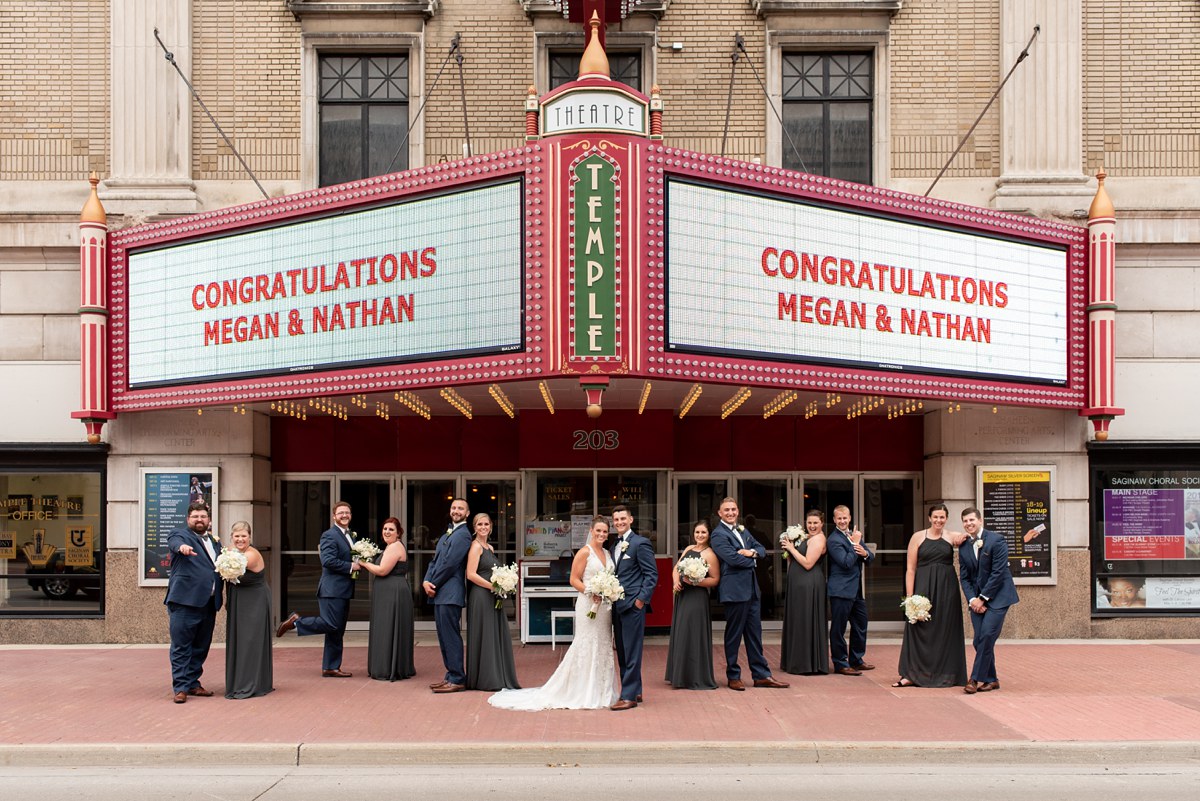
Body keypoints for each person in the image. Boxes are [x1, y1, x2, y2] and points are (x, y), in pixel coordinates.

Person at [489, 516, 619, 710]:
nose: (601, 534)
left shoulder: (608, 553)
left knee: (603, 645)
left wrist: (608, 591)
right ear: (591, 531)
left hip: (604, 610)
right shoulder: (585, 552)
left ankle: (600, 690)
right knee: (586, 644)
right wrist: (591, 592)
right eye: (598, 530)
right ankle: (581, 690)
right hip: (588, 605)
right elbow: (574, 579)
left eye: (605, 531)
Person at [710, 497, 789, 691]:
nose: (730, 513)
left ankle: (761, 675)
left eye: (733, 509)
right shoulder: (718, 535)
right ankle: (733, 676)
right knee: (734, 635)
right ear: (720, 513)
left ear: (738, 511)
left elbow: (762, 549)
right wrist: (751, 558)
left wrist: (751, 553)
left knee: (755, 635)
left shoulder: (742, 530)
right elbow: (733, 559)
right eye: (726, 510)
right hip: (735, 592)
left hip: (752, 591)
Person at [275, 501, 360, 677]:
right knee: (331, 624)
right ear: (334, 516)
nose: (344, 515)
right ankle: (296, 622)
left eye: (347, 512)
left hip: (344, 589)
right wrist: (351, 566)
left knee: (337, 630)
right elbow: (327, 561)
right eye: (341, 513)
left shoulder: (350, 535)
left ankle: (331, 667)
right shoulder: (329, 535)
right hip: (332, 589)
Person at [892, 505, 967, 688]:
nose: (938, 520)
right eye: (935, 517)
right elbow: (910, 569)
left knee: (944, 629)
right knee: (918, 628)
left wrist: (963, 536)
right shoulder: (918, 537)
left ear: (946, 518)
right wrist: (910, 597)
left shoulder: (951, 536)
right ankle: (910, 674)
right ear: (929, 517)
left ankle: (947, 673)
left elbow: (972, 534)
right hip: (923, 586)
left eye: (942, 517)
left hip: (946, 589)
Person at [165, 501, 223, 703]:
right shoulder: (180, 535)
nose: (200, 520)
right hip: (184, 602)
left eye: (203, 516)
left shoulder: (215, 542)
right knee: (182, 646)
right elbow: (174, 542)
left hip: (208, 603)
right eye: (195, 517)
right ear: (188, 519)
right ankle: (180, 687)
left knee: (201, 646)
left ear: (209, 520)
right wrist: (182, 548)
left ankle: (192, 683)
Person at [959, 507, 1020, 693]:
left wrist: (983, 598)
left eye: (971, 520)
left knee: (986, 636)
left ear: (980, 520)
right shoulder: (963, 546)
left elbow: (998, 573)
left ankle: (974, 679)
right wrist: (972, 600)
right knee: (979, 640)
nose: (969, 524)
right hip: (976, 601)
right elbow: (965, 577)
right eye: (965, 521)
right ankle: (992, 679)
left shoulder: (997, 540)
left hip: (999, 597)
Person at [609, 504, 658, 710]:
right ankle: (635, 691)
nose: (619, 522)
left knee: (632, 651)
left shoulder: (641, 543)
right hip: (617, 606)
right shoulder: (614, 546)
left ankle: (628, 696)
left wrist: (640, 601)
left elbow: (651, 575)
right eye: (616, 520)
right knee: (622, 651)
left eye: (623, 518)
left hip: (633, 606)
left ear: (631, 520)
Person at [465, 513, 519, 691]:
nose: (483, 527)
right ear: (474, 527)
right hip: (480, 596)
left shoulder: (489, 548)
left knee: (493, 635)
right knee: (485, 634)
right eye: (479, 524)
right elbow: (471, 574)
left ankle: (496, 674)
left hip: (492, 596)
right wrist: (493, 587)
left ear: (491, 526)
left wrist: (502, 584)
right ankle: (486, 679)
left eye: (486, 524)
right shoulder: (475, 547)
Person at [424, 497, 473, 693]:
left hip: (450, 592)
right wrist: (426, 580)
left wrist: (433, 583)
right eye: (454, 507)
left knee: (450, 636)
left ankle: (457, 678)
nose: (456, 510)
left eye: (461, 508)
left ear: (467, 514)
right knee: (443, 636)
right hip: (439, 592)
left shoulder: (463, 535)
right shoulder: (447, 534)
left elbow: (451, 564)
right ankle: (450, 675)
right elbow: (434, 561)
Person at [357, 517, 415, 681]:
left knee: (388, 625)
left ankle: (387, 667)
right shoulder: (390, 546)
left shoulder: (395, 547)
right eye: (385, 529)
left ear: (398, 533)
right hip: (389, 591)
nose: (387, 532)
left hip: (393, 592)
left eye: (391, 529)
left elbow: (382, 570)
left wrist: (363, 562)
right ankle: (392, 663)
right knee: (386, 625)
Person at [664, 520, 720, 690]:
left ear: (709, 534)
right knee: (682, 632)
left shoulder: (710, 554)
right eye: (697, 532)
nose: (700, 536)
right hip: (683, 596)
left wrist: (696, 581)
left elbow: (715, 579)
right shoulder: (689, 549)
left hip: (697, 598)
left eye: (703, 532)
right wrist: (676, 582)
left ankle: (694, 676)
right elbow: (676, 568)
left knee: (693, 633)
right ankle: (679, 675)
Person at [224, 520, 273, 699]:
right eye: (236, 536)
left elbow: (229, 570)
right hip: (239, 599)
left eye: (244, 536)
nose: (240, 539)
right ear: (232, 537)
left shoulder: (251, 555)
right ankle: (238, 680)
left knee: (250, 640)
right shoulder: (230, 551)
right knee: (239, 639)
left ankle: (250, 682)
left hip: (255, 600)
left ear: (250, 537)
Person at [779, 509, 829, 676]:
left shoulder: (819, 539)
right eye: (809, 523)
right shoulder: (807, 537)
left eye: (816, 523)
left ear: (822, 523)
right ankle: (795, 660)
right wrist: (789, 551)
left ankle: (807, 663)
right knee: (798, 619)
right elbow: (794, 559)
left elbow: (808, 563)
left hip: (809, 584)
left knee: (805, 620)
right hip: (798, 584)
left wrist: (791, 549)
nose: (812, 526)